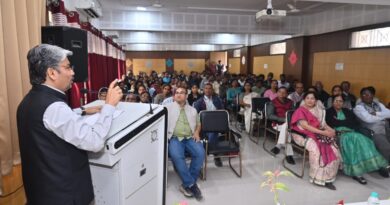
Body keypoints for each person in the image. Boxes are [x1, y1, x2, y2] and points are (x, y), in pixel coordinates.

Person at [17, 44, 123, 205]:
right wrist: (109, 105)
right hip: (64, 194)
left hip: (40, 192)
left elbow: (49, 124)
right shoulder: (55, 108)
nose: (72, 72)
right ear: (52, 73)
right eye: (67, 67)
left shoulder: (29, 101)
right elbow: (94, 142)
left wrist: (81, 111)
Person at [326, 95, 389, 185]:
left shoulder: (347, 111)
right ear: (332, 102)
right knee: (351, 141)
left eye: (340, 101)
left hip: (351, 132)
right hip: (337, 134)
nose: (338, 103)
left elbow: (353, 123)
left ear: (343, 103)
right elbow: (331, 123)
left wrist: (340, 122)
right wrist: (344, 123)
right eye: (336, 101)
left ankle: (377, 165)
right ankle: (357, 173)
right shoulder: (328, 112)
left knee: (365, 140)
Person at [290, 92, 341, 190]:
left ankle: (328, 177)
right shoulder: (300, 110)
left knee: (334, 147)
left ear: (316, 100)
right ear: (304, 100)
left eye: (312, 98)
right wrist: (324, 133)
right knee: (316, 149)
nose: (310, 100)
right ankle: (317, 177)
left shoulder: (319, 110)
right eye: (307, 98)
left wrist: (331, 131)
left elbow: (323, 124)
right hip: (302, 134)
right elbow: (305, 126)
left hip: (317, 133)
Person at [166, 86, 205, 201]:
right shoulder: (167, 108)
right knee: (177, 156)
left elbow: (198, 124)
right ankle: (192, 185)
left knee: (200, 153)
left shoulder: (192, 110)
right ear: (174, 96)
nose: (178, 94)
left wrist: (197, 132)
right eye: (176, 93)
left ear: (186, 96)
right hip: (174, 138)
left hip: (190, 137)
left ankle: (187, 184)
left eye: (181, 93)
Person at [354, 87, 390, 162]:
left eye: (369, 94)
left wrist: (377, 113)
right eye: (364, 94)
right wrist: (383, 117)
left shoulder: (378, 104)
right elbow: (369, 119)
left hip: (387, 128)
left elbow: (389, 113)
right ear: (361, 97)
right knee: (386, 148)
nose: (367, 96)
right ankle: (385, 165)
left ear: (373, 95)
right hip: (373, 131)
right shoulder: (359, 107)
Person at [193, 83, 224, 167]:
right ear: (203, 90)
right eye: (206, 88)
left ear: (212, 90)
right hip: (203, 125)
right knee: (213, 134)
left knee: (213, 133)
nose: (208, 90)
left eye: (210, 88)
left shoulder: (217, 100)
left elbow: (222, 111)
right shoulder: (199, 102)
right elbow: (195, 116)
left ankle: (208, 150)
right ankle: (215, 155)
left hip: (216, 123)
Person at [268, 87, 295, 164]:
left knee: (286, 127)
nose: (282, 94)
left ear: (287, 94)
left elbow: (294, 113)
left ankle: (278, 146)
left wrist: (289, 121)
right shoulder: (272, 102)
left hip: (290, 124)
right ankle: (289, 154)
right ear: (277, 93)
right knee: (286, 128)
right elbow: (270, 115)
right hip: (277, 124)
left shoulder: (290, 102)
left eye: (284, 93)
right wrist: (283, 120)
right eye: (280, 92)